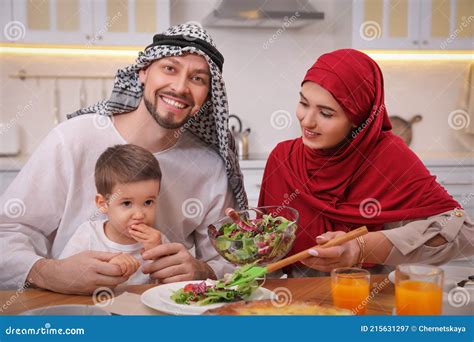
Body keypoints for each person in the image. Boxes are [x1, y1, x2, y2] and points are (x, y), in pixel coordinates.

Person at [0, 23, 247, 294]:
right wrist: (47, 272)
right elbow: (8, 231)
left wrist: (203, 271)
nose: (180, 87)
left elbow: (234, 262)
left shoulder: (209, 167)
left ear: (208, 96)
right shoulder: (72, 139)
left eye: (198, 79)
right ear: (143, 72)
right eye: (169, 68)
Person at [258, 49, 473, 277]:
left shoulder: (389, 156)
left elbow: (463, 233)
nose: (307, 121)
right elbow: (266, 255)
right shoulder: (283, 158)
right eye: (304, 103)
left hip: (375, 300)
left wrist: (362, 247)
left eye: (326, 113)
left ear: (358, 119)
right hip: (296, 303)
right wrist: (241, 240)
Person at [59, 144, 171, 285]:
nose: (139, 215)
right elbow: (65, 275)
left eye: (148, 202)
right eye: (126, 203)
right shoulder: (89, 235)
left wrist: (158, 254)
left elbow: (170, 289)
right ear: (103, 204)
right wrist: (106, 265)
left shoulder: (159, 241)